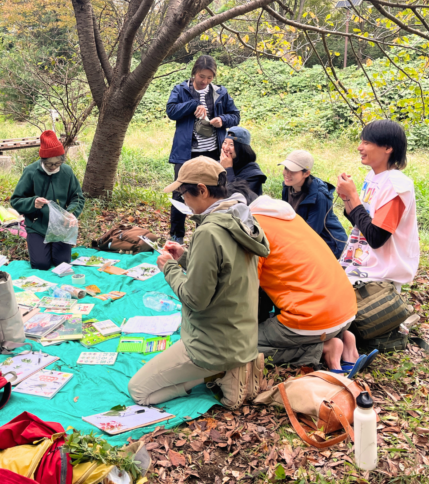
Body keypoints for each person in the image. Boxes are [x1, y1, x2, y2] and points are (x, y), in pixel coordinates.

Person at [128, 157, 269, 409]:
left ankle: (217, 373)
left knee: (139, 392)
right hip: (241, 337)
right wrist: (184, 257)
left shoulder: (208, 231)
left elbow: (196, 299)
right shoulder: (239, 217)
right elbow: (224, 271)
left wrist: (168, 267)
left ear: (202, 190)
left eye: (184, 194)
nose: (183, 201)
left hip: (212, 345)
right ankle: (232, 367)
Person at [227, 182, 360, 372]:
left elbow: (243, 289)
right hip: (346, 309)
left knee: (235, 347)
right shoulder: (286, 216)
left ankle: (323, 348)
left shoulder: (252, 229)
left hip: (313, 319)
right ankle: (343, 339)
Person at [336, 120, 420, 292]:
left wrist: (353, 196)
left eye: (366, 142)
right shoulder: (372, 177)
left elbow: (376, 237)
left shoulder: (396, 185)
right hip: (360, 266)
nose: (360, 147)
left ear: (387, 148)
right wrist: (346, 198)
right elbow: (361, 222)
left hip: (379, 277)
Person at [166, 55, 240, 243]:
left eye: (209, 77)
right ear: (194, 73)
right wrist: (193, 105)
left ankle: (204, 235)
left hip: (211, 152)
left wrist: (222, 120)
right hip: (186, 152)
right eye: (201, 76)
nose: (205, 81)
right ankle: (177, 235)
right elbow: (171, 111)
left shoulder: (220, 93)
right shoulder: (181, 89)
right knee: (180, 191)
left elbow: (235, 116)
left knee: (210, 193)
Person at [10, 130, 85, 270]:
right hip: (38, 226)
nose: (54, 167)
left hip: (61, 225)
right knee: (40, 264)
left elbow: (78, 197)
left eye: (58, 163)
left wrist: (71, 213)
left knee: (62, 263)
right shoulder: (31, 171)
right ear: (42, 160)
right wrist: (33, 203)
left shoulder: (66, 171)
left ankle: (55, 249)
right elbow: (16, 200)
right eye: (50, 164)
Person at [280, 150, 347, 258]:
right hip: (304, 239)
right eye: (286, 168)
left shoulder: (319, 196)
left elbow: (311, 233)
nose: (287, 173)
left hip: (329, 245)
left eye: (293, 170)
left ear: (306, 173)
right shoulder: (288, 187)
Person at [219, 126, 267, 196]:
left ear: (241, 147)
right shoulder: (219, 164)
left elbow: (238, 198)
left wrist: (228, 170)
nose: (226, 148)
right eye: (225, 143)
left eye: (231, 144)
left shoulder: (253, 175)